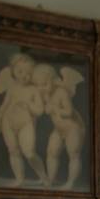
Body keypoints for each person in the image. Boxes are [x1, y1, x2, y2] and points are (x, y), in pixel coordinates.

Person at [0, 53, 49, 186]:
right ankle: (19, 179)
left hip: (26, 123)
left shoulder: (34, 90)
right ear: (13, 71)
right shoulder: (12, 88)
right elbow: (4, 105)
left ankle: (44, 177)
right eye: (20, 71)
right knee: (13, 151)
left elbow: (40, 111)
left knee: (29, 153)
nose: (24, 75)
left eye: (29, 73)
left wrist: (29, 105)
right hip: (8, 122)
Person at [33, 63, 86, 191]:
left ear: (54, 81)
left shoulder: (62, 92)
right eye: (38, 85)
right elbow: (46, 110)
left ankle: (71, 182)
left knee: (73, 154)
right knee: (51, 152)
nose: (41, 88)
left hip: (73, 128)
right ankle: (50, 179)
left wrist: (55, 108)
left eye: (44, 84)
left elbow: (69, 112)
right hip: (58, 129)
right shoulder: (45, 94)